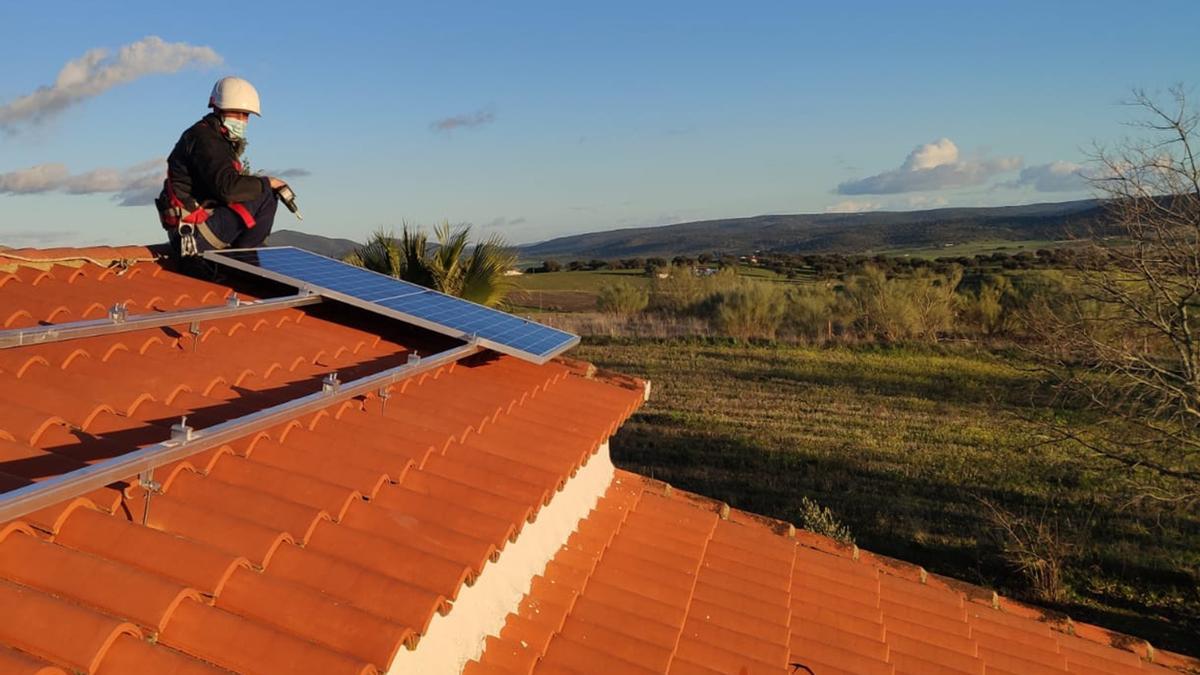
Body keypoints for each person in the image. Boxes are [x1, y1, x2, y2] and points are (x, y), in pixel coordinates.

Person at [156, 76, 289, 257]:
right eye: (237, 113)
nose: (243, 120)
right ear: (219, 109)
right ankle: (243, 257)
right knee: (267, 193)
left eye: (246, 115)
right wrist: (268, 183)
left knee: (258, 189)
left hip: (196, 227)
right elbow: (228, 189)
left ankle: (244, 254)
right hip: (195, 233)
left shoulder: (210, 136)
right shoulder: (206, 139)